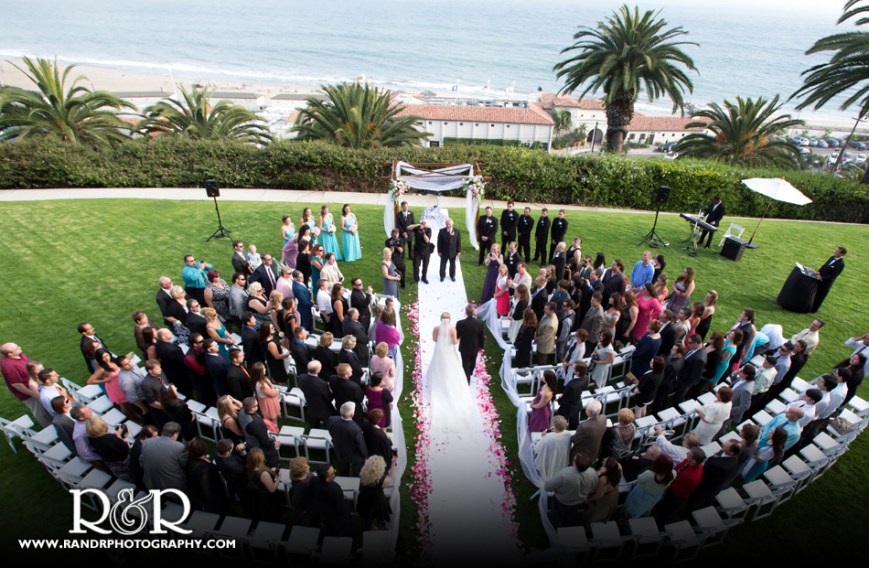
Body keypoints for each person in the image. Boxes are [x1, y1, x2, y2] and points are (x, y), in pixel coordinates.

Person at [427, 312, 480, 434]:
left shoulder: (436, 328)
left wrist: (441, 340)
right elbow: (455, 342)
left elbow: (434, 339)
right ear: (449, 319)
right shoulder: (452, 329)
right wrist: (459, 337)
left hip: (440, 351)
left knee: (438, 366)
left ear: (441, 319)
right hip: (449, 351)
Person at [544, 451, 598, 528]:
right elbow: (593, 489)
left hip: (561, 502)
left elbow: (548, 487)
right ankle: (567, 529)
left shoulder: (564, 474)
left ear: (575, 464)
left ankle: (554, 531)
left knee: (556, 518)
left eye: (574, 459)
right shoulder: (593, 473)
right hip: (578, 503)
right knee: (570, 519)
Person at [1, 344, 47, 427]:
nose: (19, 347)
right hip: (28, 393)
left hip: (36, 385)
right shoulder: (10, 366)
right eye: (16, 348)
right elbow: (17, 384)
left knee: (46, 406)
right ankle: (48, 427)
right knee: (39, 411)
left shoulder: (19, 355)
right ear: (10, 354)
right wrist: (33, 394)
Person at [140, 422, 188, 492]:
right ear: (174, 435)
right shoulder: (179, 447)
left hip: (151, 485)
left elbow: (142, 463)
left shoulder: (146, 442)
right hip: (173, 489)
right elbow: (186, 466)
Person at [328, 401, 368, 476]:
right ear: (352, 414)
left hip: (339, 450)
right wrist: (365, 455)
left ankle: (344, 475)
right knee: (357, 470)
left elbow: (330, 431)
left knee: (343, 469)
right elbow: (360, 445)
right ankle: (355, 477)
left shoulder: (332, 419)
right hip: (353, 454)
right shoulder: (355, 429)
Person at [357, 454, 397, 530]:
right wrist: (393, 463)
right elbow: (391, 478)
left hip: (364, 498)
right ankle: (376, 527)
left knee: (368, 515)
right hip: (376, 502)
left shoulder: (363, 474)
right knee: (376, 516)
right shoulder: (379, 481)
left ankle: (369, 524)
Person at [582, 457, 622, 523]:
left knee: (594, 513)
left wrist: (588, 499)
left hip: (606, 497)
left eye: (605, 460)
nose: (603, 459)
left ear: (606, 467)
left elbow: (599, 495)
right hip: (612, 491)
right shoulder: (617, 467)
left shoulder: (604, 480)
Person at [245, 447, 281, 521]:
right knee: (273, 515)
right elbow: (272, 489)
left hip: (260, 495)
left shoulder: (249, 468)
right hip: (269, 498)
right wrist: (279, 478)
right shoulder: (263, 474)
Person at [298, 361, 337, 428]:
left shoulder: (301, 377)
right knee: (329, 424)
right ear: (318, 370)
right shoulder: (322, 384)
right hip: (324, 409)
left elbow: (301, 386)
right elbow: (329, 398)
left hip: (311, 405)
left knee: (314, 423)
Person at [534, 415, 572, 484]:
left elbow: (537, 449)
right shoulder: (568, 434)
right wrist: (557, 431)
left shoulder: (548, 438)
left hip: (549, 457)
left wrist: (542, 437)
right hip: (561, 457)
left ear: (554, 425)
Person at [569, 399, 606, 464]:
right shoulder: (603, 418)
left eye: (586, 408)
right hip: (594, 451)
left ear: (589, 413)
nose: (585, 409)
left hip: (581, 455)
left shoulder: (584, 426)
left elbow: (574, 440)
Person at [455, 304, 485, 382]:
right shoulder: (479, 323)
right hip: (474, 347)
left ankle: (467, 378)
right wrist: (481, 346)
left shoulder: (460, 323)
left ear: (466, 313)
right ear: (473, 312)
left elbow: (457, 336)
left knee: (465, 363)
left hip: (464, 347)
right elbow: (481, 336)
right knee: (473, 361)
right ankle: (470, 373)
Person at [812, 246, 846, 312]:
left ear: (842, 254)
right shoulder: (832, 257)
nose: (835, 251)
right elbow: (824, 266)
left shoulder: (841, 264)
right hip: (819, 278)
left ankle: (813, 309)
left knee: (820, 296)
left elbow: (833, 275)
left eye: (837, 251)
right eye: (835, 250)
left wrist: (822, 277)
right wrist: (818, 272)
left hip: (826, 283)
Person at [252, 362, 280, 433]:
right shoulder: (262, 385)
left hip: (266, 401)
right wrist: (277, 391)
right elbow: (273, 394)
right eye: (263, 369)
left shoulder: (259, 381)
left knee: (271, 417)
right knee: (272, 417)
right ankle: (274, 431)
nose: (265, 369)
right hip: (268, 403)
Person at [437, 218, 461, 282]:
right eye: (447, 224)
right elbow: (439, 242)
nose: (448, 225)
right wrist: (439, 251)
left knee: (452, 265)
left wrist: (458, 251)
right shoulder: (441, 231)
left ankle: (452, 276)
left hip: (453, 252)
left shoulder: (457, 231)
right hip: (444, 251)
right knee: (443, 264)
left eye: (449, 224)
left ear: (452, 224)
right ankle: (442, 276)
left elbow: (459, 242)